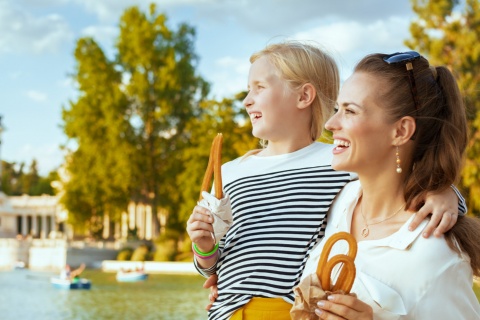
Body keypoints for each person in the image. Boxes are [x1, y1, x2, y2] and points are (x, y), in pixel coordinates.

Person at [186, 42, 466, 320]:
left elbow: (395, 180)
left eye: (259, 87)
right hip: (227, 312)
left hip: (288, 310)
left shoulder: (337, 164)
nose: (247, 99)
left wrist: (445, 192)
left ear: (304, 96)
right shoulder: (232, 172)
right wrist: (204, 247)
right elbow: (216, 264)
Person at [301, 51, 480, 319]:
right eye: (337, 109)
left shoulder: (435, 256)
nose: (330, 124)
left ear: (400, 131)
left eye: (350, 111)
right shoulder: (335, 200)